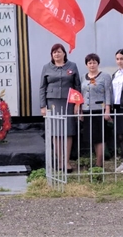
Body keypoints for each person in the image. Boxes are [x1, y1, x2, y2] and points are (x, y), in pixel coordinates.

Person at [39, 43, 81, 173]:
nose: (56, 54)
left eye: (59, 51)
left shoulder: (72, 66)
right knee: (56, 132)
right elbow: (42, 88)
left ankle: (67, 161)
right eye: (54, 52)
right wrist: (43, 106)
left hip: (69, 102)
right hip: (52, 103)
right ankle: (60, 161)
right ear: (51, 55)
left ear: (64, 53)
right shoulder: (47, 67)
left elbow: (77, 86)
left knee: (68, 131)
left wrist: (77, 104)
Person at [79, 53, 112, 168]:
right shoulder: (83, 77)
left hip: (99, 110)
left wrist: (107, 109)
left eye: (94, 62)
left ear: (98, 63)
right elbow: (81, 94)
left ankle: (99, 163)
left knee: (100, 137)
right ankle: (96, 161)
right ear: (86, 64)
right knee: (92, 137)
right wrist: (80, 110)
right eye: (89, 63)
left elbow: (108, 93)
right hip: (87, 110)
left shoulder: (105, 76)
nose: (92, 65)